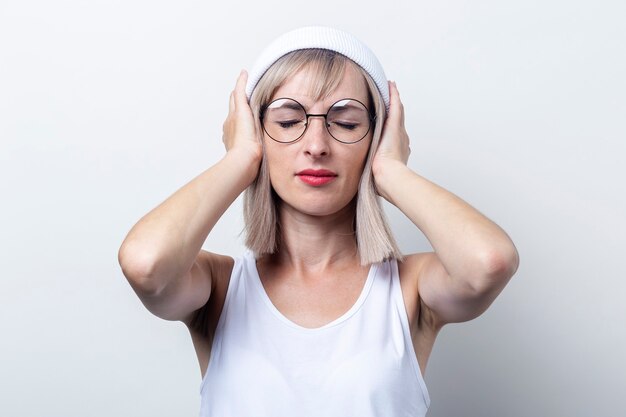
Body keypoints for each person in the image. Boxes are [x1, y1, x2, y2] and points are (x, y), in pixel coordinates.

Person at [118, 26, 519, 417]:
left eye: (345, 123)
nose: (316, 146)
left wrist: (392, 172)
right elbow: (146, 264)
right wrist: (239, 160)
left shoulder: (410, 289)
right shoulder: (217, 287)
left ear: (375, 140)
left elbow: (488, 262)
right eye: (288, 122)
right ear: (257, 137)